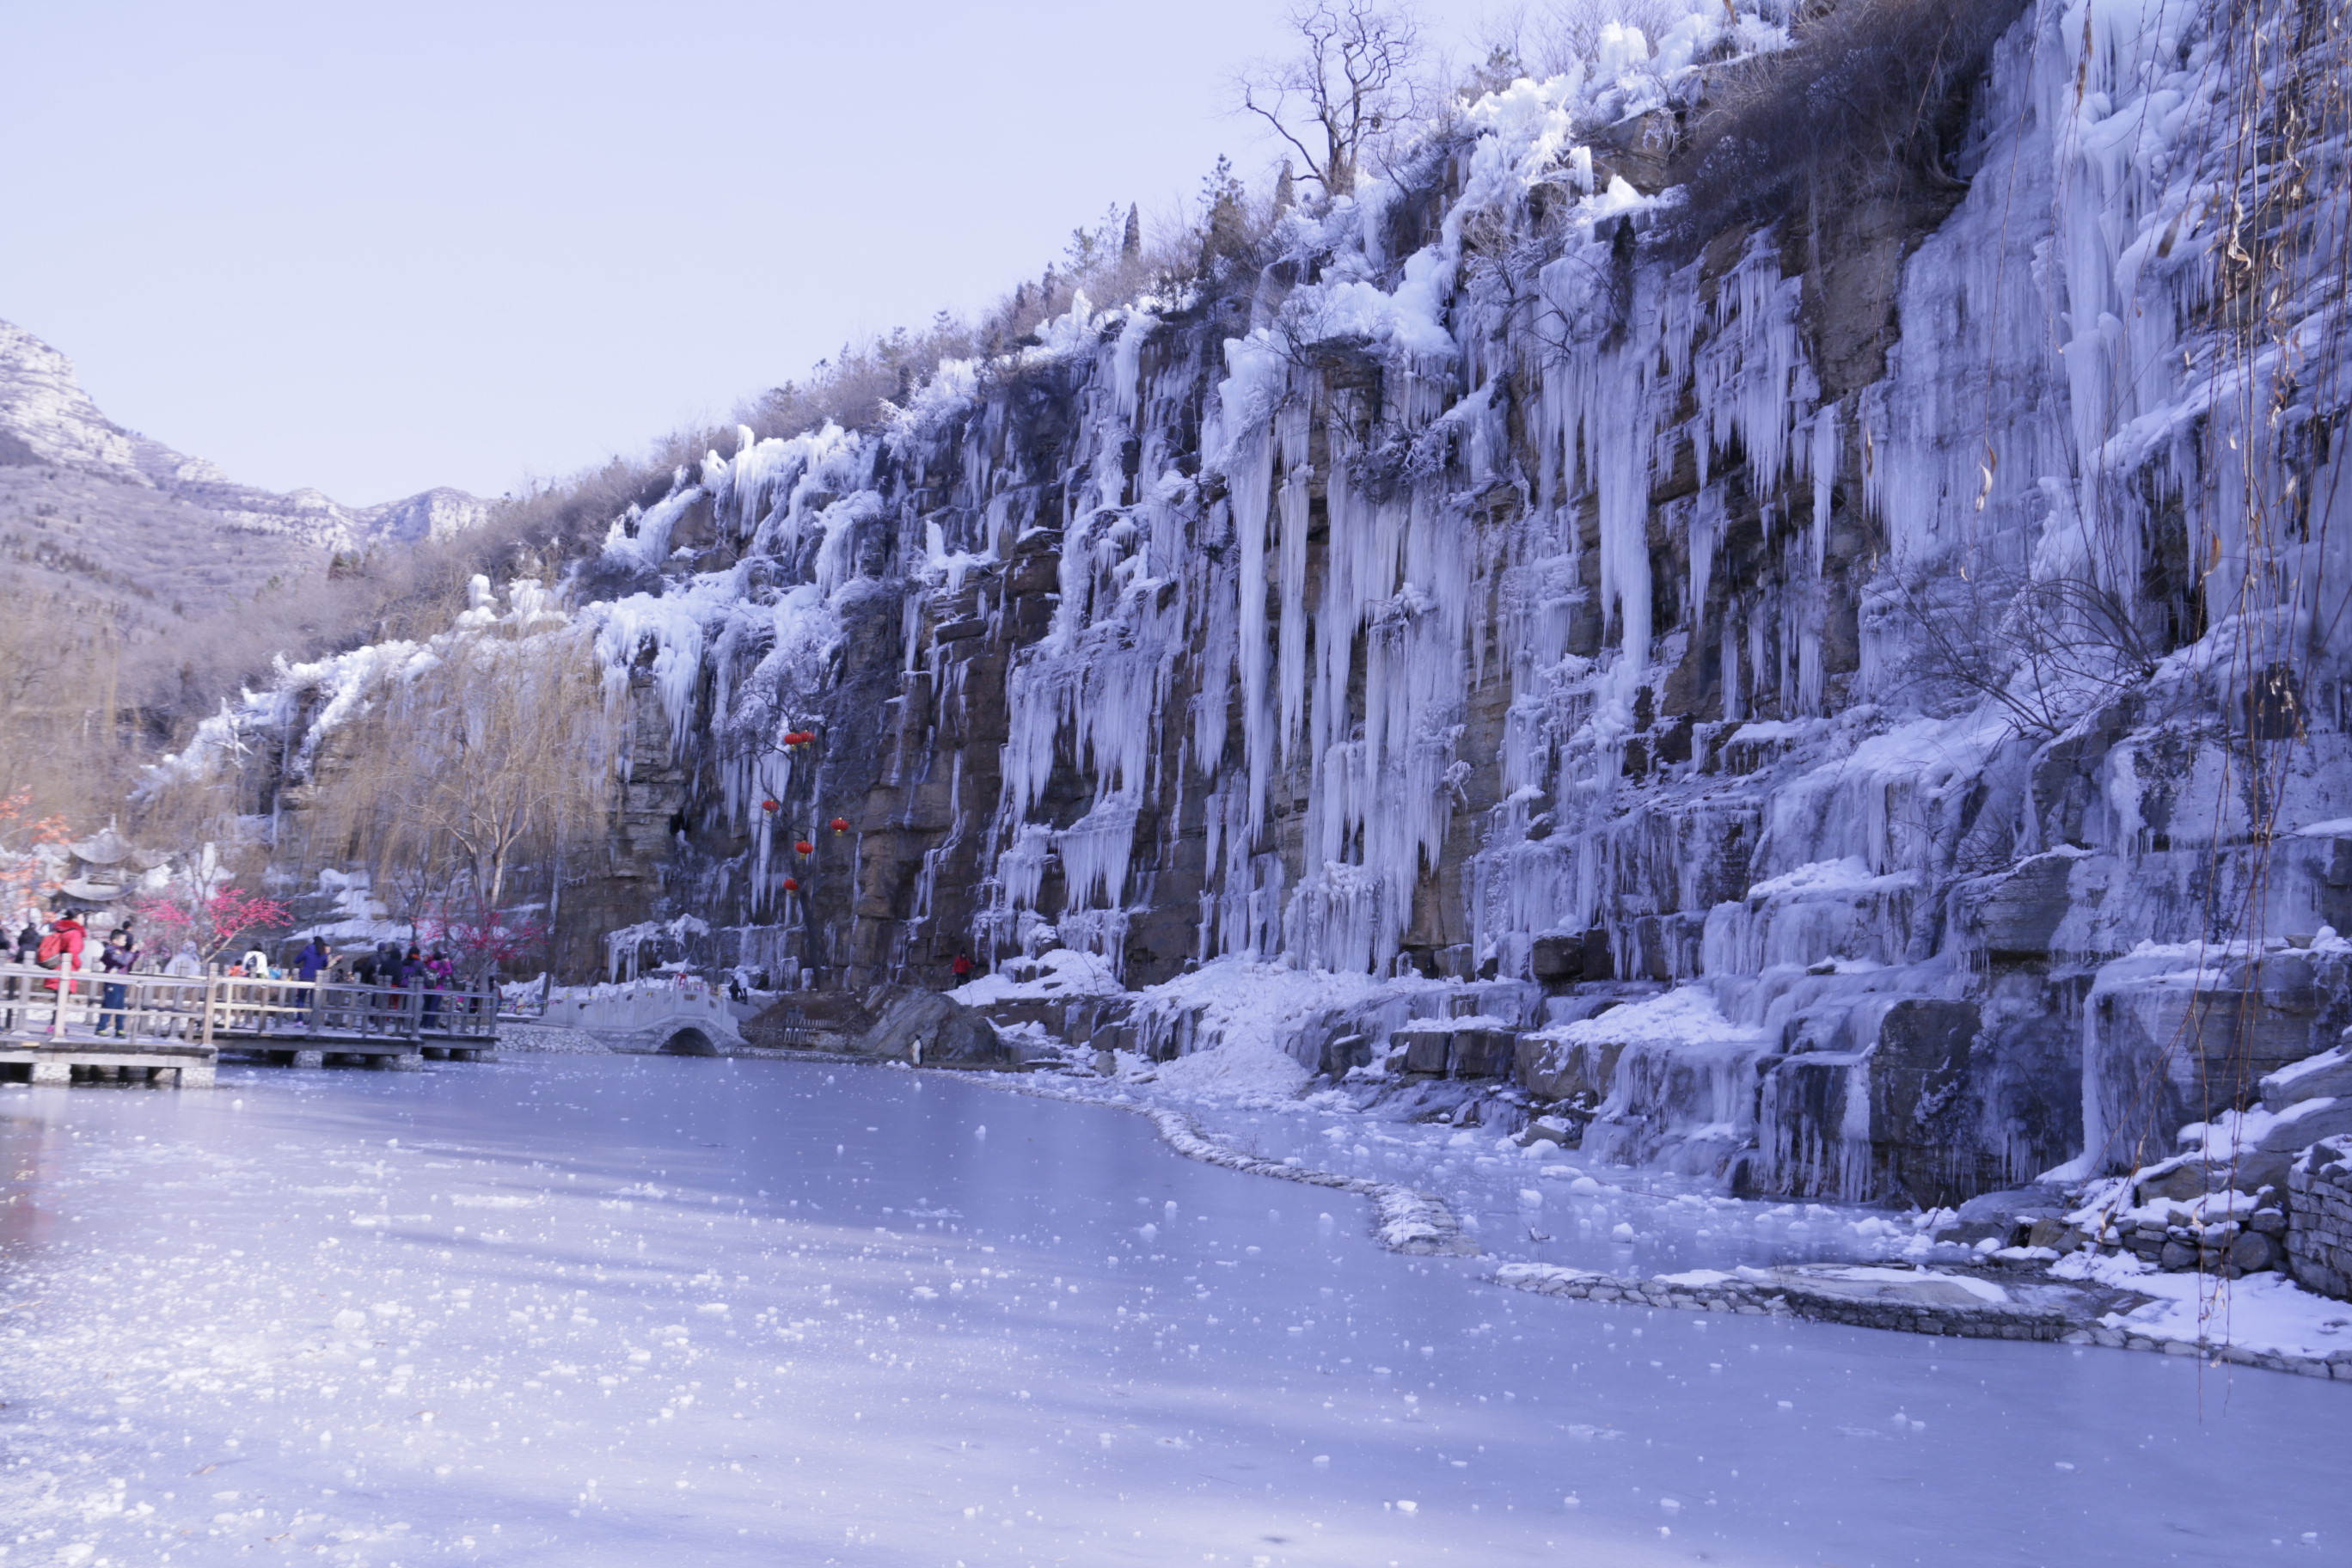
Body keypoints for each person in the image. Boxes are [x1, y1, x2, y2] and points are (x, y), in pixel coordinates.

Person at [95, 928, 141, 1038]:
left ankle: (120, 1029)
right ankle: (101, 1028)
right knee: (109, 1005)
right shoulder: (111, 950)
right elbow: (122, 961)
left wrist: (137, 951)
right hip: (112, 981)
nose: (125, 942)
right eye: (123, 940)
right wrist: (131, 952)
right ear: (115, 940)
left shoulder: (122, 950)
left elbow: (129, 960)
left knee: (120, 1007)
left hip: (121, 982)